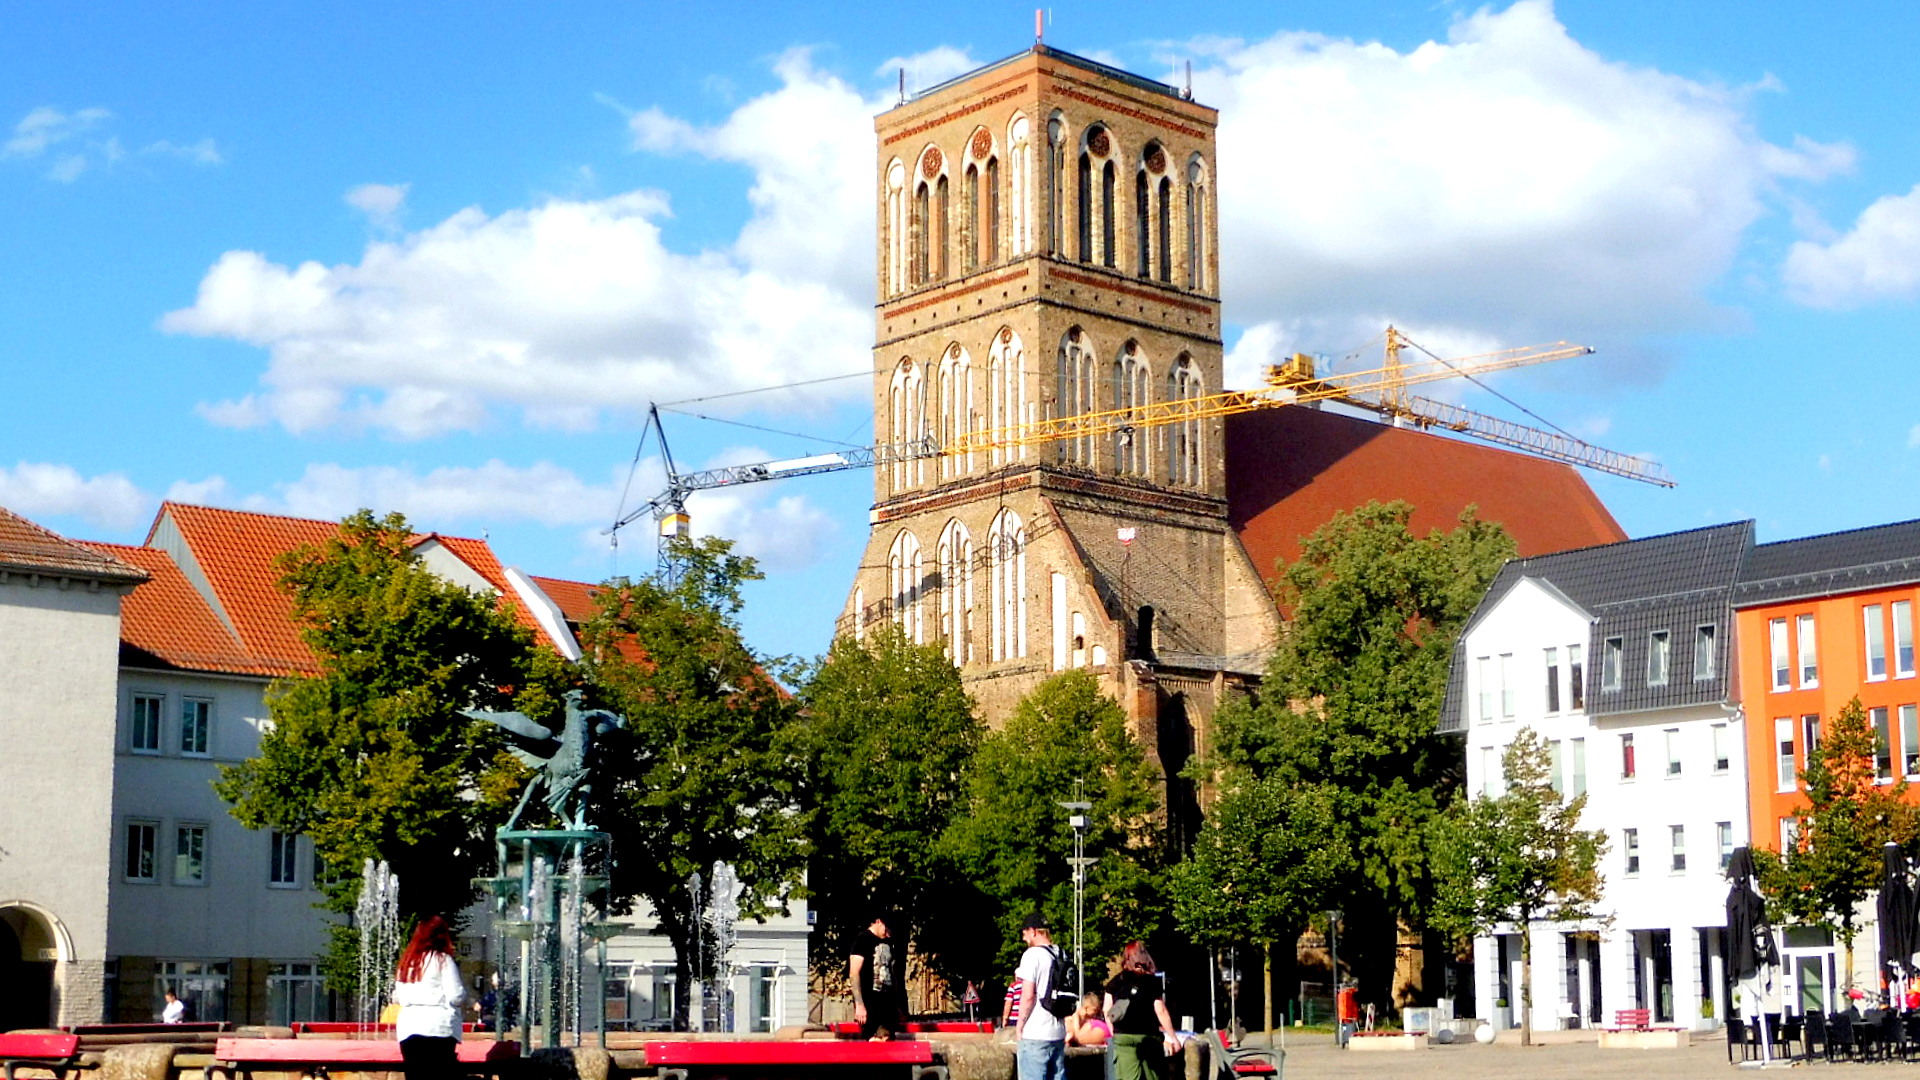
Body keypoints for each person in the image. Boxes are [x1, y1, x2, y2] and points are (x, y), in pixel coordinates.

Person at [392, 915, 466, 1080]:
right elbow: (456, 996)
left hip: (409, 1027)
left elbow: (401, 997)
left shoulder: (406, 962)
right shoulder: (442, 960)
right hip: (439, 1027)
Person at [1103, 941, 1179, 1080]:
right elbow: (1160, 1010)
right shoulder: (1152, 982)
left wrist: (1114, 1030)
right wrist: (1173, 1038)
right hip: (1148, 1037)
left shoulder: (1116, 981)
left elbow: (1107, 1009)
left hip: (1123, 1037)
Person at [1014, 911, 1067, 1080]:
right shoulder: (1061, 954)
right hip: (1058, 1032)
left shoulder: (1032, 955)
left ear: (1033, 931)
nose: (1024, 939)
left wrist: (1020, 1025)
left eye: (1025, 934)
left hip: (1035, 1033)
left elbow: (1028, 995)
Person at [849, 912, 906, 1040]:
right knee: (876, 1038)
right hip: (871, 1001)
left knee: (888, 1037)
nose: (888, 934)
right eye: (887, 929)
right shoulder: (863, 940)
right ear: (879, 922)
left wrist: (897, 1005)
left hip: (888, 1002)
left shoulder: (888, 943)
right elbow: (854, 973)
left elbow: (893, 973)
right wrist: (859, 1004)